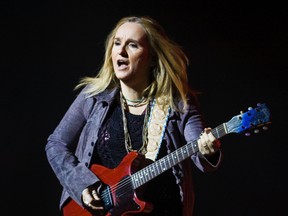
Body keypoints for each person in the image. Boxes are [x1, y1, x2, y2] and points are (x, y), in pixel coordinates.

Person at [45, 16, 223, 216]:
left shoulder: (178, 102)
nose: (120, 51)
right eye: (117, 43)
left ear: (153, 58)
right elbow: (55, 144)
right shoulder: (93, 97)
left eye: (132, 45)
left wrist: (208, 150)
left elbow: (199, 150)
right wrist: (83, 186)